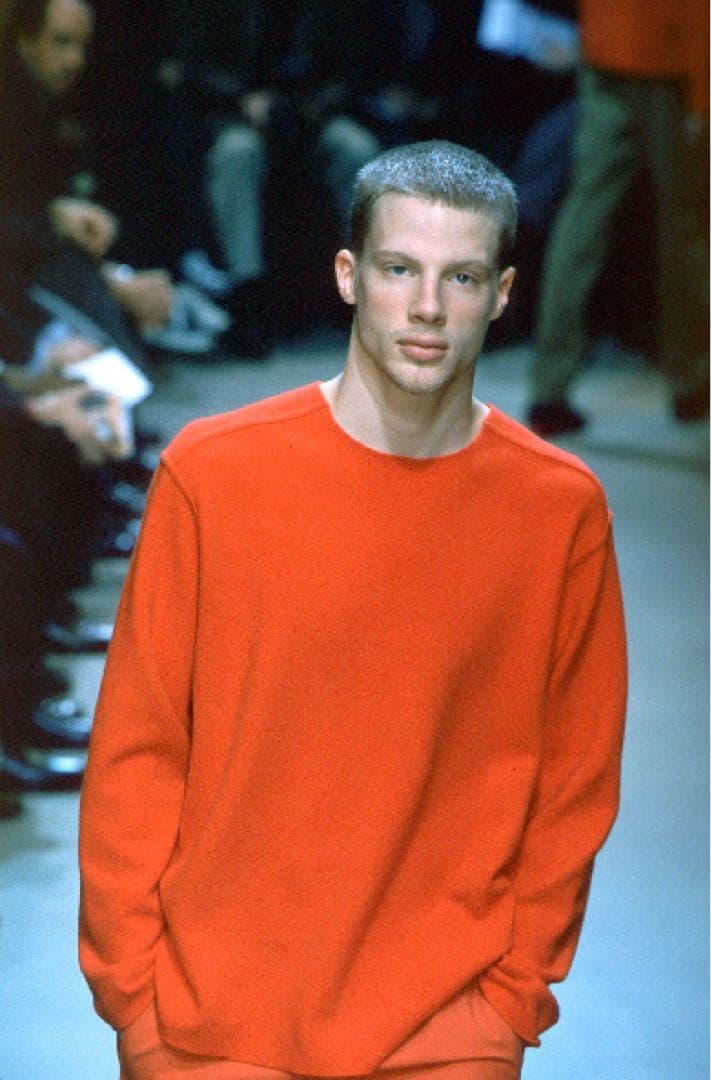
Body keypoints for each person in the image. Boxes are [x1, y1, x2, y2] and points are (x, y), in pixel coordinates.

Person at [79, 141, 627, 1080]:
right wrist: (134, 998)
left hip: (445, 1026)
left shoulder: (556, 509)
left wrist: (508, 1001)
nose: (427, 307)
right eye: (398, 269)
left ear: (500, 294)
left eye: (461, 277)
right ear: (348, 276)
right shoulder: (214, 474)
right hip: (209, 1023)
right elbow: (140, 744)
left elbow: (574, 780)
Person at [526, 0, 709, 436]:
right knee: (683, 227)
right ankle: (690, 378)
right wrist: (703, 94)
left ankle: (550, 385)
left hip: (605, 49)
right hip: (669, 55)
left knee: (583, 217)